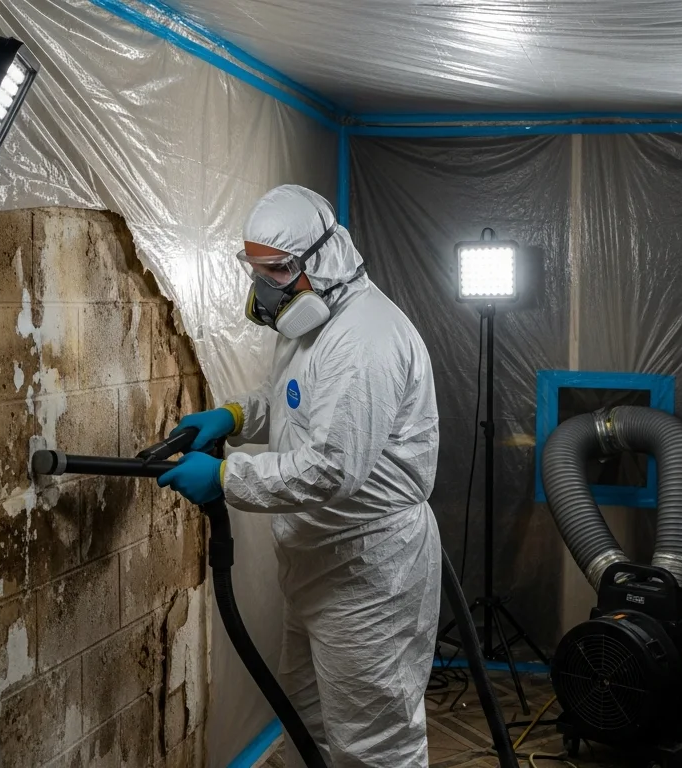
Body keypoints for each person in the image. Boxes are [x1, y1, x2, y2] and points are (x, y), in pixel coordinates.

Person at [157, 185, 441, 768]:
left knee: (373, 746)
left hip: (369, 571)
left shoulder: (364, 339)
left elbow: (330, 468)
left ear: (324, 258)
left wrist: (227, 477)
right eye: (256, 269)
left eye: (278, 270)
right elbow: (292, 402)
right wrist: (236, 416)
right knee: (307, 725)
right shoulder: (312, 325)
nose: (265, 286)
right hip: (316, 560)